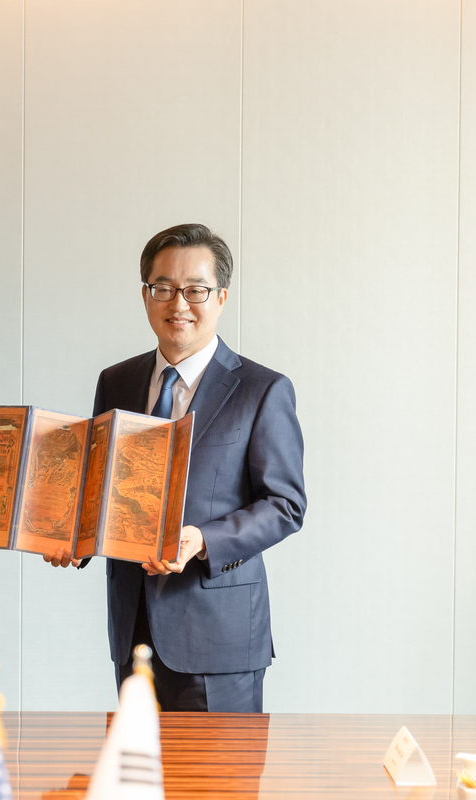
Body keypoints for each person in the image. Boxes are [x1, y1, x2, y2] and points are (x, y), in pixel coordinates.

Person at [47, 223, 305, 712]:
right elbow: (99, 486)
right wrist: (72, 537)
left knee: (220, 767)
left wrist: (202, 540)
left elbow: (285, 505)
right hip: (133, 630)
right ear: (146, 295)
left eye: (195, 290)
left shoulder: (262, 389)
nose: (178, 303)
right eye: (163, 288)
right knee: (135, 763)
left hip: (220, 636)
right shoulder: (116, 381)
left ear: (221, 297)